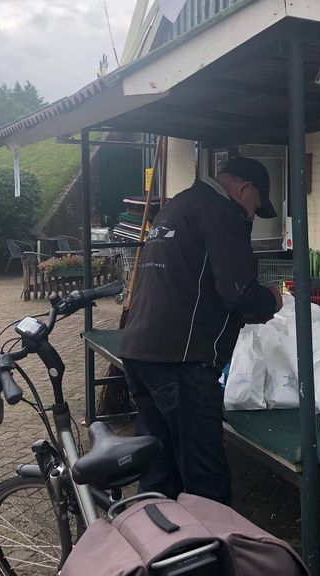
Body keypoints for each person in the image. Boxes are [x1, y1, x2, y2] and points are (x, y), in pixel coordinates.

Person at [119, 156, 283, 505]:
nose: (252, 216)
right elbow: (237, 290)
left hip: (139, 354)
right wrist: (270, 300)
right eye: (255, 207)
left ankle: (158, 550)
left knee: (158, 469)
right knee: (203, 476)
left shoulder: (180, 204)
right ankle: (214, 553)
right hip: (182, 360)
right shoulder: (222, 213)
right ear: (244, 189)